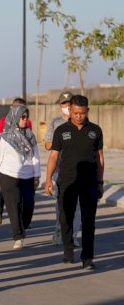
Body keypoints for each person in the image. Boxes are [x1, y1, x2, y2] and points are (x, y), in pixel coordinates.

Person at [45, 95, 104, 270]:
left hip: (90, 182)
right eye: (76, 113)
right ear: (70, 111)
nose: (79, 116)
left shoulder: (95, 130)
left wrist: (100, 181)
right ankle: (68, 249)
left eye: (82, 113)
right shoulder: (61, 130)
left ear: (87, 111)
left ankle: (88, 257)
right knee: (65, 218)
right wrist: (48, 179)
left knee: (88, 220)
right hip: (67, 181)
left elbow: (100, 157)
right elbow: (54, 156)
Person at [0, 105, 40, 250]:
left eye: (26, 117)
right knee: (13, 206)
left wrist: (37, 174)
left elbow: (35, 156)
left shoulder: (30, 135)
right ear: (15, 118)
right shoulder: (4, 137)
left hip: (27, 175)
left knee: (28, 205)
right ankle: (18, 236)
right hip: (8, 176)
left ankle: (23, 225)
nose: (24, 120)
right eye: (22, 117)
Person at [45, 91, 81, 246]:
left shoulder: (82, 121)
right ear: (60, 106)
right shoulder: (55, 123)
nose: (66, 106)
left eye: (69, 103)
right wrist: (63, 142)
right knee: (62, 204)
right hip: (60, 170)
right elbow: (47, 145)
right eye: (63, 104)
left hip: (79, 170)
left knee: (78, 205)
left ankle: (73, 235)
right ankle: (59, 230)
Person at [0, 97, 33, 225]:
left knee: (20, 193)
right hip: (6, 160)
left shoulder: (27, 122)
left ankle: (21, 219)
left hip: (21, 162)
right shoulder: (3, 122)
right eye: (17, 108)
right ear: (11, 108)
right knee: (4, 189)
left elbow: (29, 140)